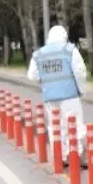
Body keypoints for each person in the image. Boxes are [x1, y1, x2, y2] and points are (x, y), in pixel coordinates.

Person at [28, 25, 88, 165]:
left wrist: (46, 81)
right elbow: (80, 72)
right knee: (74, 125)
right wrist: (82, 90)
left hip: (50, 97)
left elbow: (32, 75)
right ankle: (76, 155)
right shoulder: (69, 50)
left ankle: (59, 156)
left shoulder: (39, 54)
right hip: (69, 95)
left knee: (56, 126)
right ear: (64, 37)